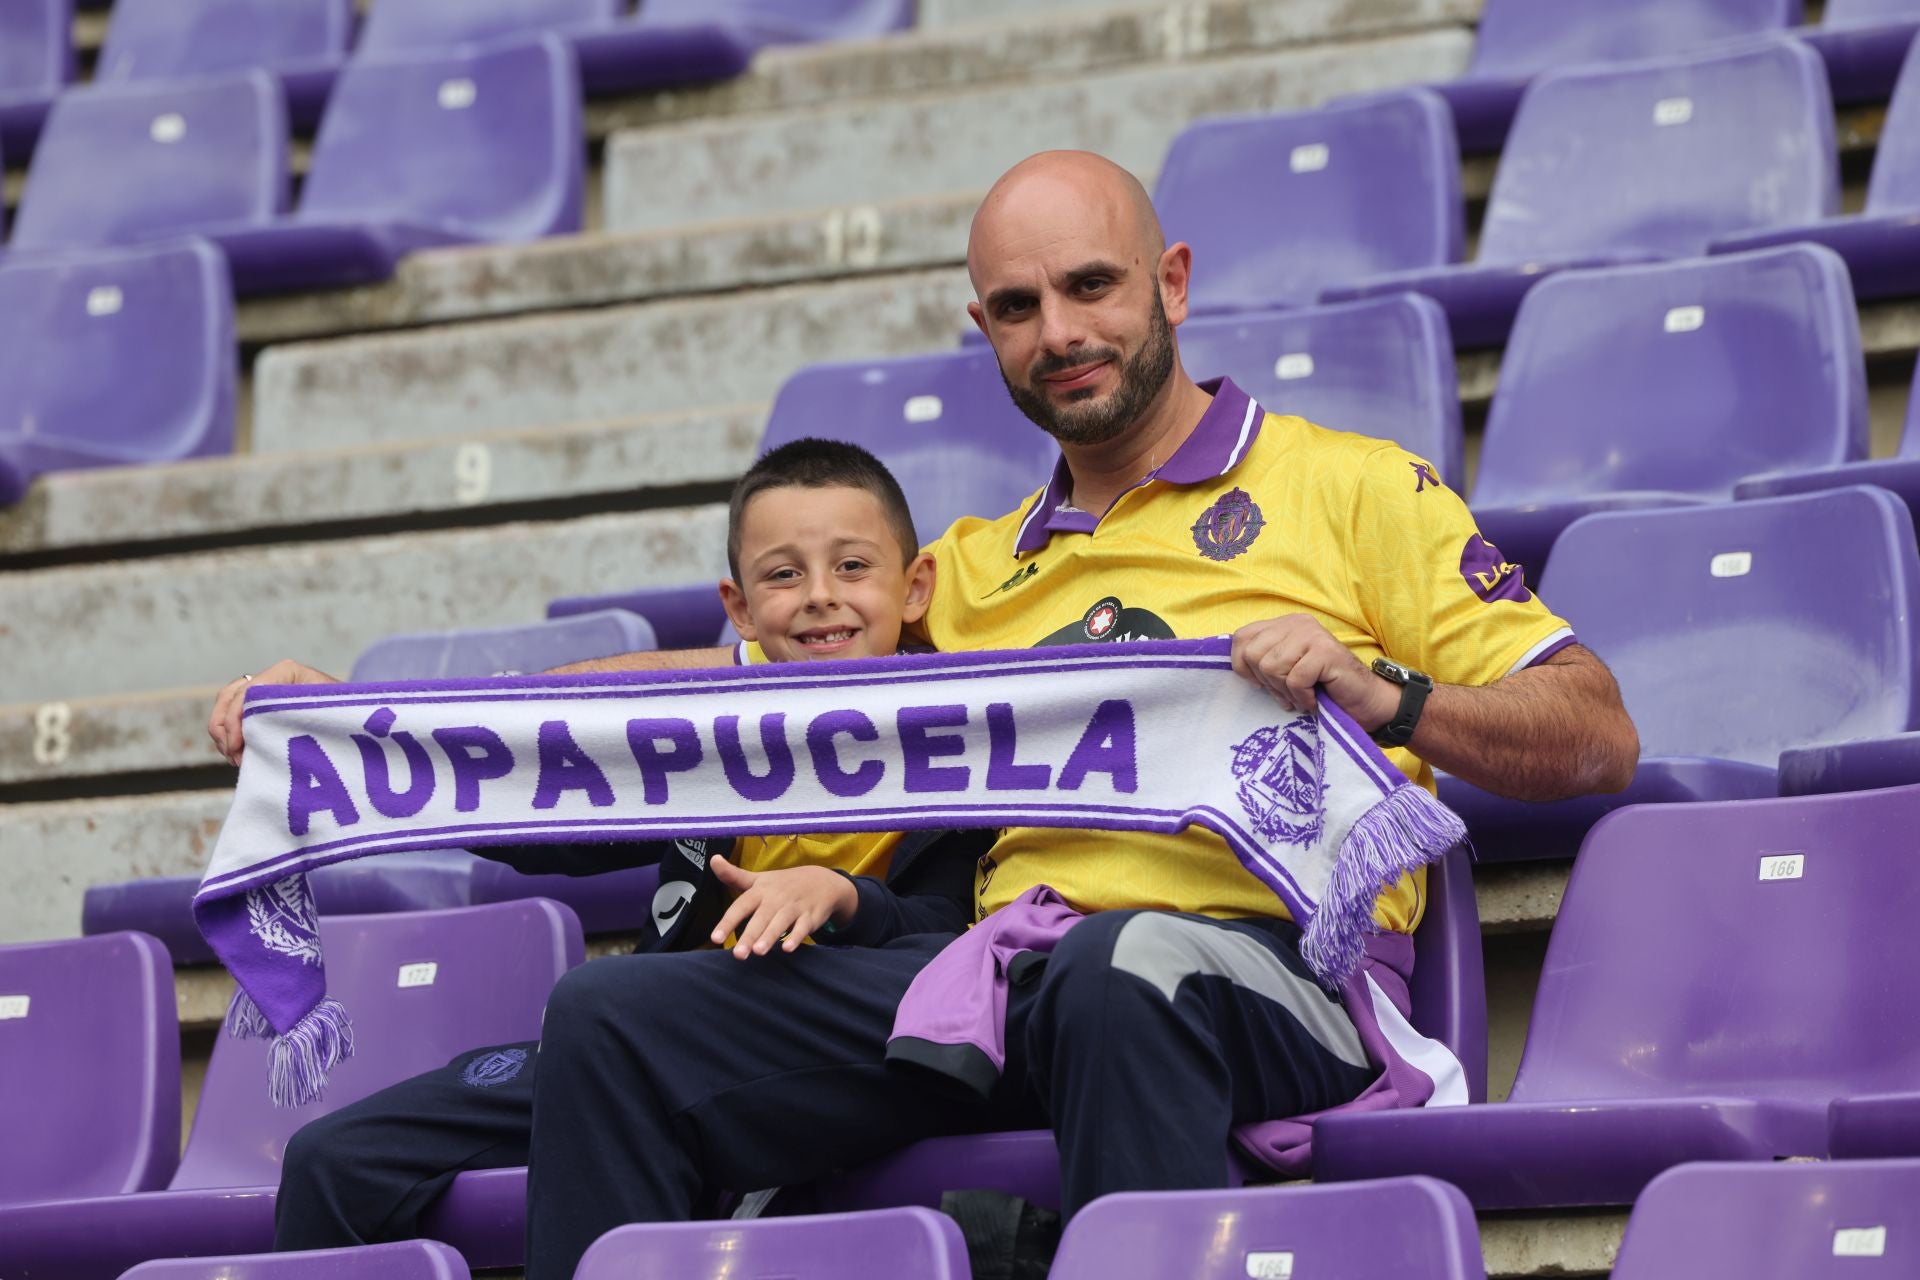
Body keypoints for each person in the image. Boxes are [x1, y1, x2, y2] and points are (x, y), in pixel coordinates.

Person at [217, 151, 1638, 1280]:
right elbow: (729, 701)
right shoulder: (967, 573)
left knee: (1120, 967)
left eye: (1091, 287)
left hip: (1276, 974)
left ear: (1175, 282)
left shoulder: (1353, 490)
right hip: (1007, 980)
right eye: (1017, 309)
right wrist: (374, 717)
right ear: (983, 329)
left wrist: (1378, 688)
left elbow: (1592, 732)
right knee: (617, 1015)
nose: (1061, 334)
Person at [248, 440, 990, 1251]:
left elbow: (955, 933)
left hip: (831, 1041)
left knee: (606, 1014)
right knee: (331, 1161)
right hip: (642, 1037)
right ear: (738, 608)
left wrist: (844, 898)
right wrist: (350, 722)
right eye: (782, 575)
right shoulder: (703, 731)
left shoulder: (962, 733)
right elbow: (525, 799)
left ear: (915, 586)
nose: (819, 597)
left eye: (852, 567)